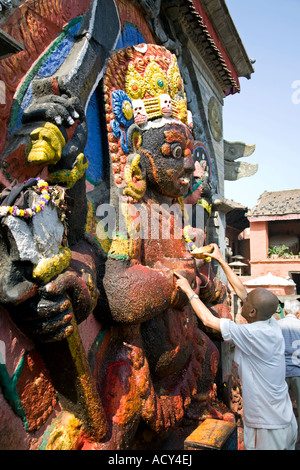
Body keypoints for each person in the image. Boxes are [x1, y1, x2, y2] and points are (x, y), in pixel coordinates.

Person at [175, 243, 297, 451]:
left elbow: (207, 320)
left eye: (246, 303)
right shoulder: (270, 323)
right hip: (280, 420)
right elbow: (242, 291)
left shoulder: (254, 334)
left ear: (252, 313)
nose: (242, 302)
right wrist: (221, 260)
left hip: (268, 427)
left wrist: (188, 291)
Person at [278, 299, 300, 449]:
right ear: (298, 313)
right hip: (298, 372)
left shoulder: (277, 326)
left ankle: (282, 441)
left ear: (284, 312)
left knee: (280, 408)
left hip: (281, 374)